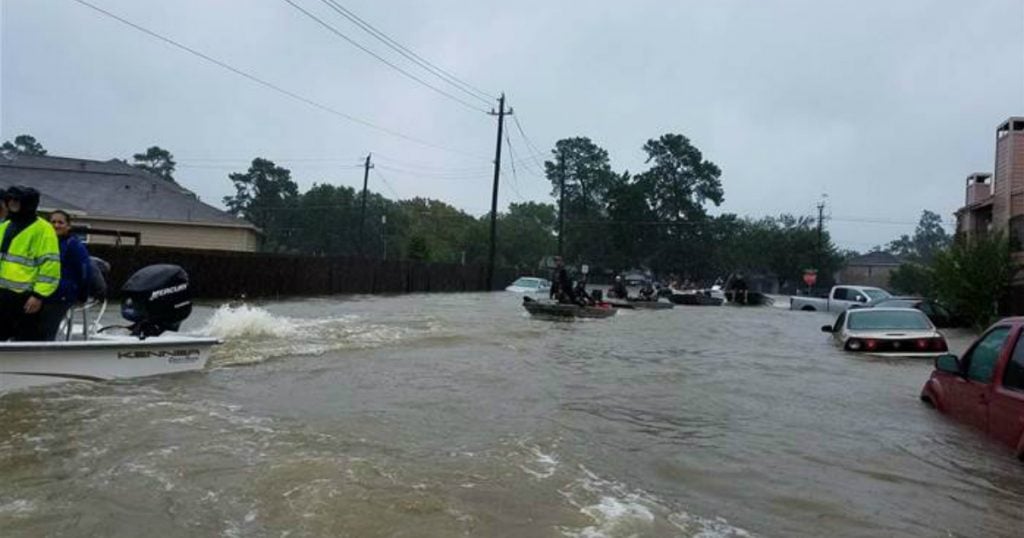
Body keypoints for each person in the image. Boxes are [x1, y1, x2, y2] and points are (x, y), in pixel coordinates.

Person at [0, 186, 61, 341]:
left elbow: (50, 266)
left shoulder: (44, 230)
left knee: (26, 341)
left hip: (26, 297)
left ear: (27, 204)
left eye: (16, 201)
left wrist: (38, 295)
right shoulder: (5, 226)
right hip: (3, 294)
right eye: (10, 200)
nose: (12, 204)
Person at [40, 210, 91, 340]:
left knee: (47, 331)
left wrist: (82, 296)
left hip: (62, 296)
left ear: (68, 226)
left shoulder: (73, 245)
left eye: (60, 222)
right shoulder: (43, 243)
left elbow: (84, 271)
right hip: (43, 294)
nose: (56, 225)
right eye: (53, 222)